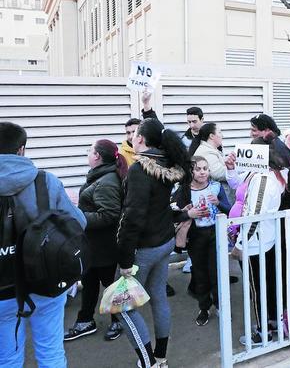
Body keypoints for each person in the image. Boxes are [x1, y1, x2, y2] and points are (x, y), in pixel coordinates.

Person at [0, 122, 86, 368]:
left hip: (2, 289)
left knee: (6, 358)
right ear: (21, 149)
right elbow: (78, 223)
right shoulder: (45, 181)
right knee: (51, 353)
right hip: (45, 282)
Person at [116, 118, 190, 368]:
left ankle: (148, 362)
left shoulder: (140, 169)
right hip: (165, 242)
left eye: (135, 133)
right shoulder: (166, 164)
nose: (132, 137)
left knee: (123, 307)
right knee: (158, 296)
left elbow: (132, 218)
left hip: (145, 249)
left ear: (141, 140)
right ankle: (161, 357)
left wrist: (125, 260)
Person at [225, 136, 287, 345]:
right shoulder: (260, 174)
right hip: (261, 241)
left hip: (254, 244)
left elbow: (254, 216)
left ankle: (263, 333)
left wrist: (240, 246)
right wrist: (232, 169)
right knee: (266, 285)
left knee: (257, 289)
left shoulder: (263, 179)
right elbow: (237, 184)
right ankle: (273, 323)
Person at [64, 140, 128, 343]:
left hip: (105, 247)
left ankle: (118, 320)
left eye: (89, 151)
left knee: (111, 286)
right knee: (90, 282)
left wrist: (78, 214)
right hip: (93, 245)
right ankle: (85, 320)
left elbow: (109, 215)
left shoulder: (106, 181)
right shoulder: (100, 176)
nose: (87, 154)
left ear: (98, 156)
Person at [171, 156, 230, 326]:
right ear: (191, 172)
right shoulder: (183, 190)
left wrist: (218, 203)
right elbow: (172, 213)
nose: (203, 172)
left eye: (205, 168)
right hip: (195, 236)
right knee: (200, 273)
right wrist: (189, 214)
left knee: (216, 272)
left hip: (215, 234)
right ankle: (204, 308)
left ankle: (220, 305)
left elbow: (230, 210)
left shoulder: (216, 187)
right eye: (198, 169)